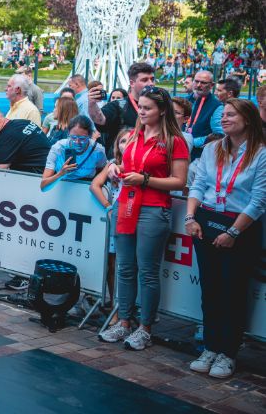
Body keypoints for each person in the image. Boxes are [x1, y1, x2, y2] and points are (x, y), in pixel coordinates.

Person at [99, 87, 189, 350]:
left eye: (147, 107)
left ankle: (145, 328)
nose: (141, 111)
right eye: (140, 106)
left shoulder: (174, 140)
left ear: (162, 110)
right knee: (125, 268)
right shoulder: (135, 135)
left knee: (147, 272)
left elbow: (179, 180)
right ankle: (124, 321)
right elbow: (129, 167)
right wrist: (117, 168)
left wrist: (146, 180)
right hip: (126, 204)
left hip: (153, 208)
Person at [184, 99, 265, 378]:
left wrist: (233, 232)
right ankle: (210, 346)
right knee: (211, 289)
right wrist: (191, 218)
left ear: (248, 119)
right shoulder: (211, 149)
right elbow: (198, 185)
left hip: (240, 226)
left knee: (233, 291)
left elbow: (258, 200)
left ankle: (227, 353)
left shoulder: (261, 153)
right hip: (205, 220)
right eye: (224, 114)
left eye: (231, 114)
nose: (225, 118)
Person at [90, 129, 134, 314]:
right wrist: (108, 206)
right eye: (123, 141)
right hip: (115, 219)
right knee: (112, 264)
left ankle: (127, 309)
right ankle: (115, 309)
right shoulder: (113, 164)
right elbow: (95, 185)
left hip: (134, 219)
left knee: (129, 266)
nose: (126, 144)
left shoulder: (140, 166)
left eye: (131, 141)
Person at [89, 62, 156, 156]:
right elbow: (100, 120)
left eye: (152, 79)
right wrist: (92, 103)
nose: (150, 83)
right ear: (132, 83)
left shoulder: (160, 105)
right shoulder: (118, 105)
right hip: (121, 163)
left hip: (150, 160)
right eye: (145, 80)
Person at [40, 115, 106, 190]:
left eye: (82, 139)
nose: (77, 142)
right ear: (68, 134)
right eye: (73, 137)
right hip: (61, 186)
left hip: (86, 187)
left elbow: (101, 171)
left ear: (90, 136)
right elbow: (43, 186)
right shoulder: (58, 148)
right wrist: (61, 173)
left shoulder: (97, 151)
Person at [0, 106, 50, 173]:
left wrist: (0, 147)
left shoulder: (6, 137)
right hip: (50, 170)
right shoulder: (22, 122)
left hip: (36, 176)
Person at [187, 70, 224, 159]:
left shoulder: (216, 106)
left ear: (211, 85)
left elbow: (219, 135)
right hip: (180, 151)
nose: (199, 85)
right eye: (196, 81)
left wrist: (190, 141)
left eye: (203, 83)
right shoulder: (185, 101)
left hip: (199, 157)